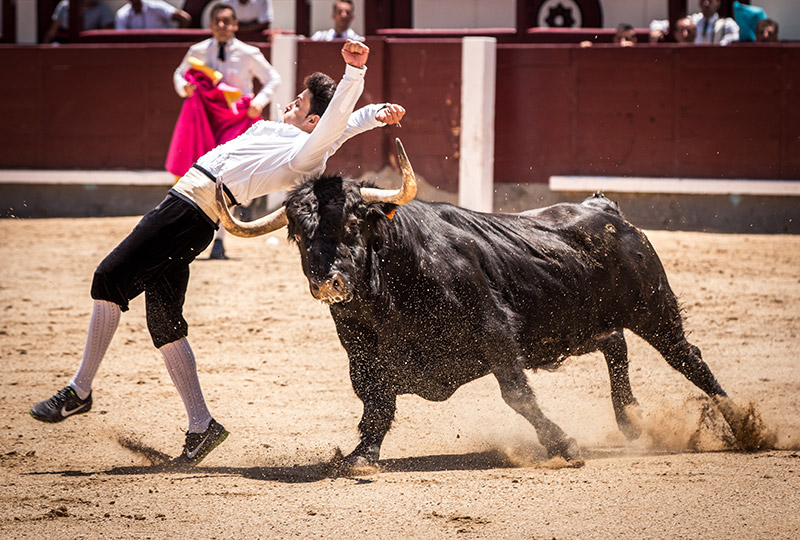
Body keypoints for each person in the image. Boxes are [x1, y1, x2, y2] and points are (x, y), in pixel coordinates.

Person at [29, 38, 405, 468]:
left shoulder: (304, 155)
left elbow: (334, 121)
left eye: (299, 103)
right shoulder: (284, 133)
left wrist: (354, 74)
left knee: (108, 278)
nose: (290, 103)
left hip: (190, 210)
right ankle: (201, 425)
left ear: (312, 120)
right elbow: (342, 123)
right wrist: (375, 115)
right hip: (191, 211)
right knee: (165, 322)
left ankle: (79, 390)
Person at [169, 2, 281, 259]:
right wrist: (183, 88)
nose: (222, 26)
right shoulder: (197, 50)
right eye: (217, 21)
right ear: (211, 24)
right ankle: (214, 238)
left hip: (237, 119)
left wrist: (258, 102)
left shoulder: (248, 52)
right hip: (206, 119)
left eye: (226, 21)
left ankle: (219, 238)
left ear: (235, 25)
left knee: (225, 176)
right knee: (204, 174)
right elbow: (180, 73)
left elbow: (273, 78)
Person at [649, 0, 739, 45]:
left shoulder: (727, 24)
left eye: (710, 1)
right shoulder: (694, 20)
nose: (706, 4)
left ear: (718, 3)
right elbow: (660, 23)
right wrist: (657, 29)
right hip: (693, 60)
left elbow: (735, 37)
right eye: (703, 0)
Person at [44, 0, 114, 43]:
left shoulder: (102, 8)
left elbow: (107, 30)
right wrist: (45, 48)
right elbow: (52, 31)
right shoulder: (64, 6)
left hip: (89, 42)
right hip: (64, 41)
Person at [115, 0, 191, 29]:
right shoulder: (122, 14)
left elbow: (184, 18)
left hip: (163, 49)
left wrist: (176, 40)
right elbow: (121, 38)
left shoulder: (155, 7)